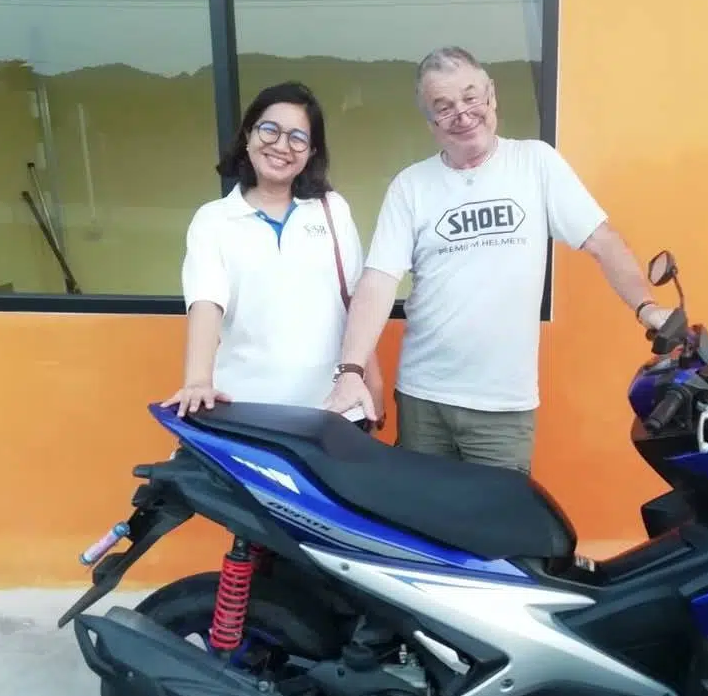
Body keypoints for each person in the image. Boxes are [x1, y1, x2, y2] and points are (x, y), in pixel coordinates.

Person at [322, 46, 670, 472]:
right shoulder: (410, 186)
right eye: (444, 107)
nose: (462, 114)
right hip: (423, 399)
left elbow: (602, 240)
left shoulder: (536, 163)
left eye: (471, 97)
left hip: (503, 407)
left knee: (500, 515)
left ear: (492, 95)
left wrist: (646, 307)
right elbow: (378, 281)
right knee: (421, 512)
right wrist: (351, 370)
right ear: (431, 123)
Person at [161, 81, 385, 430]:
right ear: (248, 135)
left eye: (298, 138)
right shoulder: (213, 220)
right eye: (270, 130)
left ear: (311, 152)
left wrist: (372, 380)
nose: (282, 146)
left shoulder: (332, 208)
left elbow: (355, 301)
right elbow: (206, 302)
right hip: (247, 411)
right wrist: (198, 380)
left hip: (334, 409)